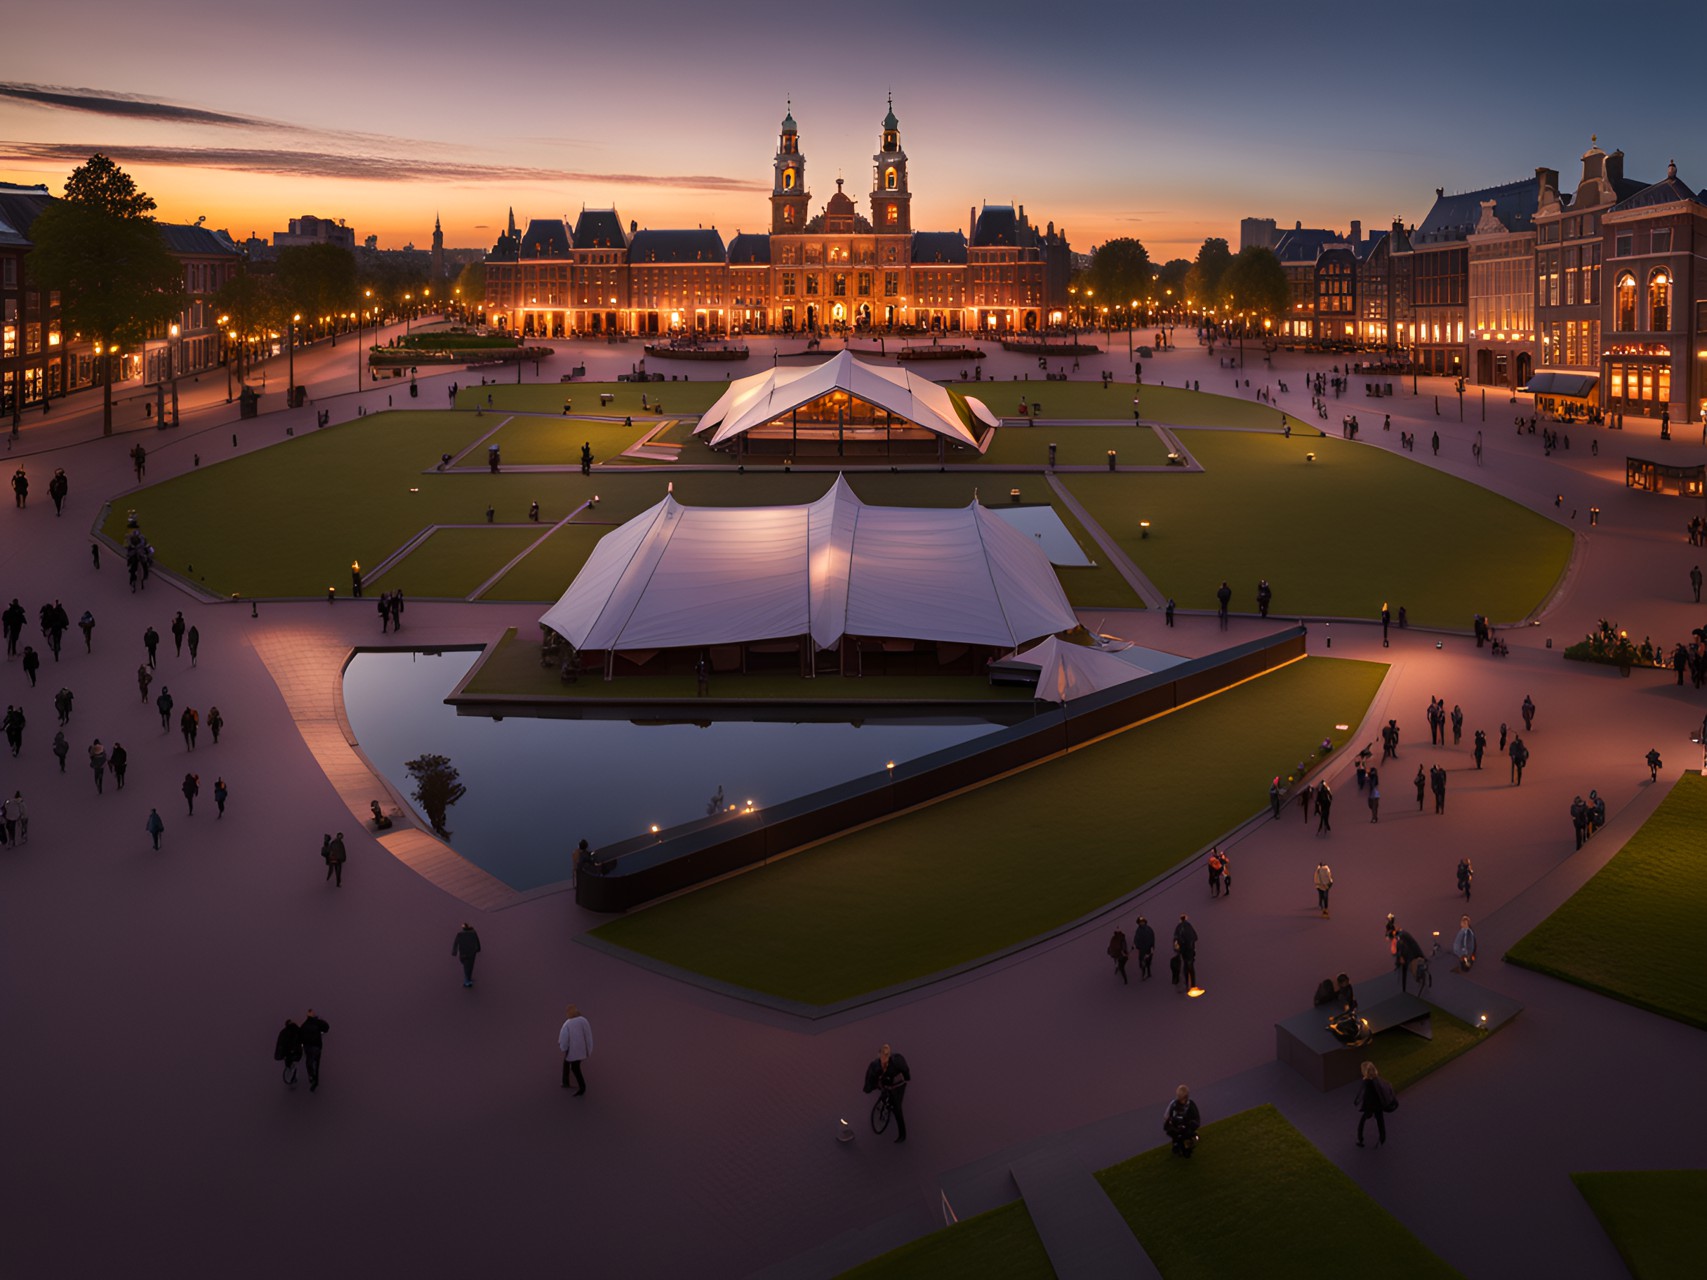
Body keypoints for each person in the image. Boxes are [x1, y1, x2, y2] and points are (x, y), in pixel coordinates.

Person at [863, 1042, 912, 1142]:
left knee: (897, 1108)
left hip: (893, 1086)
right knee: (895, 1106)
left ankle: (902, 1134)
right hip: (896, 1085)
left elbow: (870, 1077)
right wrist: (907, 1078)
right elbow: (905, 1070)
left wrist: (869, 1088)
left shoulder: (875, 1065)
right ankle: (901, 1135)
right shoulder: (897, 1059)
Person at [1355, 1061, 1393, 1147]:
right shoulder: (1377, 1080)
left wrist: (1360, 1104)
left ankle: (1360, 1139)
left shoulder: (1367, 1083)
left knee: (1362, 1122)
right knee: (1380, 1122)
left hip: (1370, 1106)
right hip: (1379, 1105)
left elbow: (1364, 1096)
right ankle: (1382, 1139)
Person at [558, 1004, 594, 1095]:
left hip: (572, 1050)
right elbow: (588, 1036)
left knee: (574, 1067)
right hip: (582, 1049)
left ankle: (582, 1087)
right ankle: (566, 1082)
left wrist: (563, 1047)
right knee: (569, 1064)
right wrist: (589, 1049)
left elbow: (564, 1038)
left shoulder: (568, 1023)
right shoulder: (584, 1020)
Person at [1163, 1085, 1201, 1157]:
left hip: (1187, 1127)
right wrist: (1172, 1123)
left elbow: (1196, 1119)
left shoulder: (1190, 1105)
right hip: (1176, 1127)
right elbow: (1167, 1117)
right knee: (1175, 1134)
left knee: (1186, 1137)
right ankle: (1176, 1144)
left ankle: (1189, 1141)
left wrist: (1189, 1124)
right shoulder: (1173, 1104)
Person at [299, 1009, 329, 1092]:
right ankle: (315, 1080)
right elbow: (327, 1027)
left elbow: (300, 1036)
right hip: (316, 1046)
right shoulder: (317, 1022)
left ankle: (311, 1075)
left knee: (309, 1060)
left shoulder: (304, 1025)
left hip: (307, 1046)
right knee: (316, 1062)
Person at [274, 1018, 303, 1087]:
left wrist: (279, 1054)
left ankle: (291, 1079)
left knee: (289, 1064)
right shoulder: (297, 1030)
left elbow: (280, 1043)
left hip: (287, 1052)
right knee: (295, 1063)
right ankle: (293, 1078)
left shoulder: (283, 1032)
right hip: (297, 1051)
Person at [452, 923, 482, 987]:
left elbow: (456, 943)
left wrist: (454, 952)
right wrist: (478, 949)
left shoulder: (460, 934)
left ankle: (467, 980)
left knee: (466, 966)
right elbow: (477, 941)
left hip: (463, 952)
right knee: (470, 966)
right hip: (471, 953)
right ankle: (468, 979)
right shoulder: (473, 933)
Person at [1173, 914, 1198, 988]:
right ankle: (1192, 984)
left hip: (1185, 950)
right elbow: (1195, 937)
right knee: (1190, 967)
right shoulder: (1189, 926)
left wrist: (1177, 949)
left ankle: (1187, 984)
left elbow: (1176, 939)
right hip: (1190, 950)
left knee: (1186, 967)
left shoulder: (1179, 927)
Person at [1133, 915, 1155, 980]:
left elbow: (1152, 938)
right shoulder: (1138, 931)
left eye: (1142, 922)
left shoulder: (1149, 929)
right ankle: (1143, 974)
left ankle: (1148, 973)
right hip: (1142, 950)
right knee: (1142, 963)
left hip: (1148, 948)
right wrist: (1137, 945)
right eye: (1140, 922)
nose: (1141, 923)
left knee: (1148, 962)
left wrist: (1152, 947)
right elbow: (1136, 939)